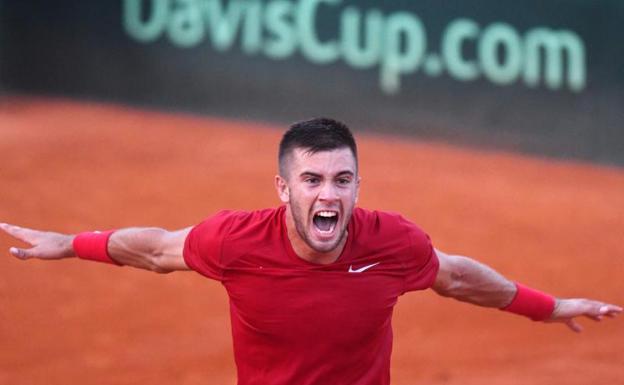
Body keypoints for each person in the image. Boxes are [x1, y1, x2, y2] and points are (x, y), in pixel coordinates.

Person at [1, 117, 621, 385]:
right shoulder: (235, 241)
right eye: (313, 180)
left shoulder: (395, 243)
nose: (329, 194)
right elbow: (157, 249)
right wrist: (69, 244)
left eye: (342, 180)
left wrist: (549, 305)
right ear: (283, 188)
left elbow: (456, 277)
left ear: (358, 185)